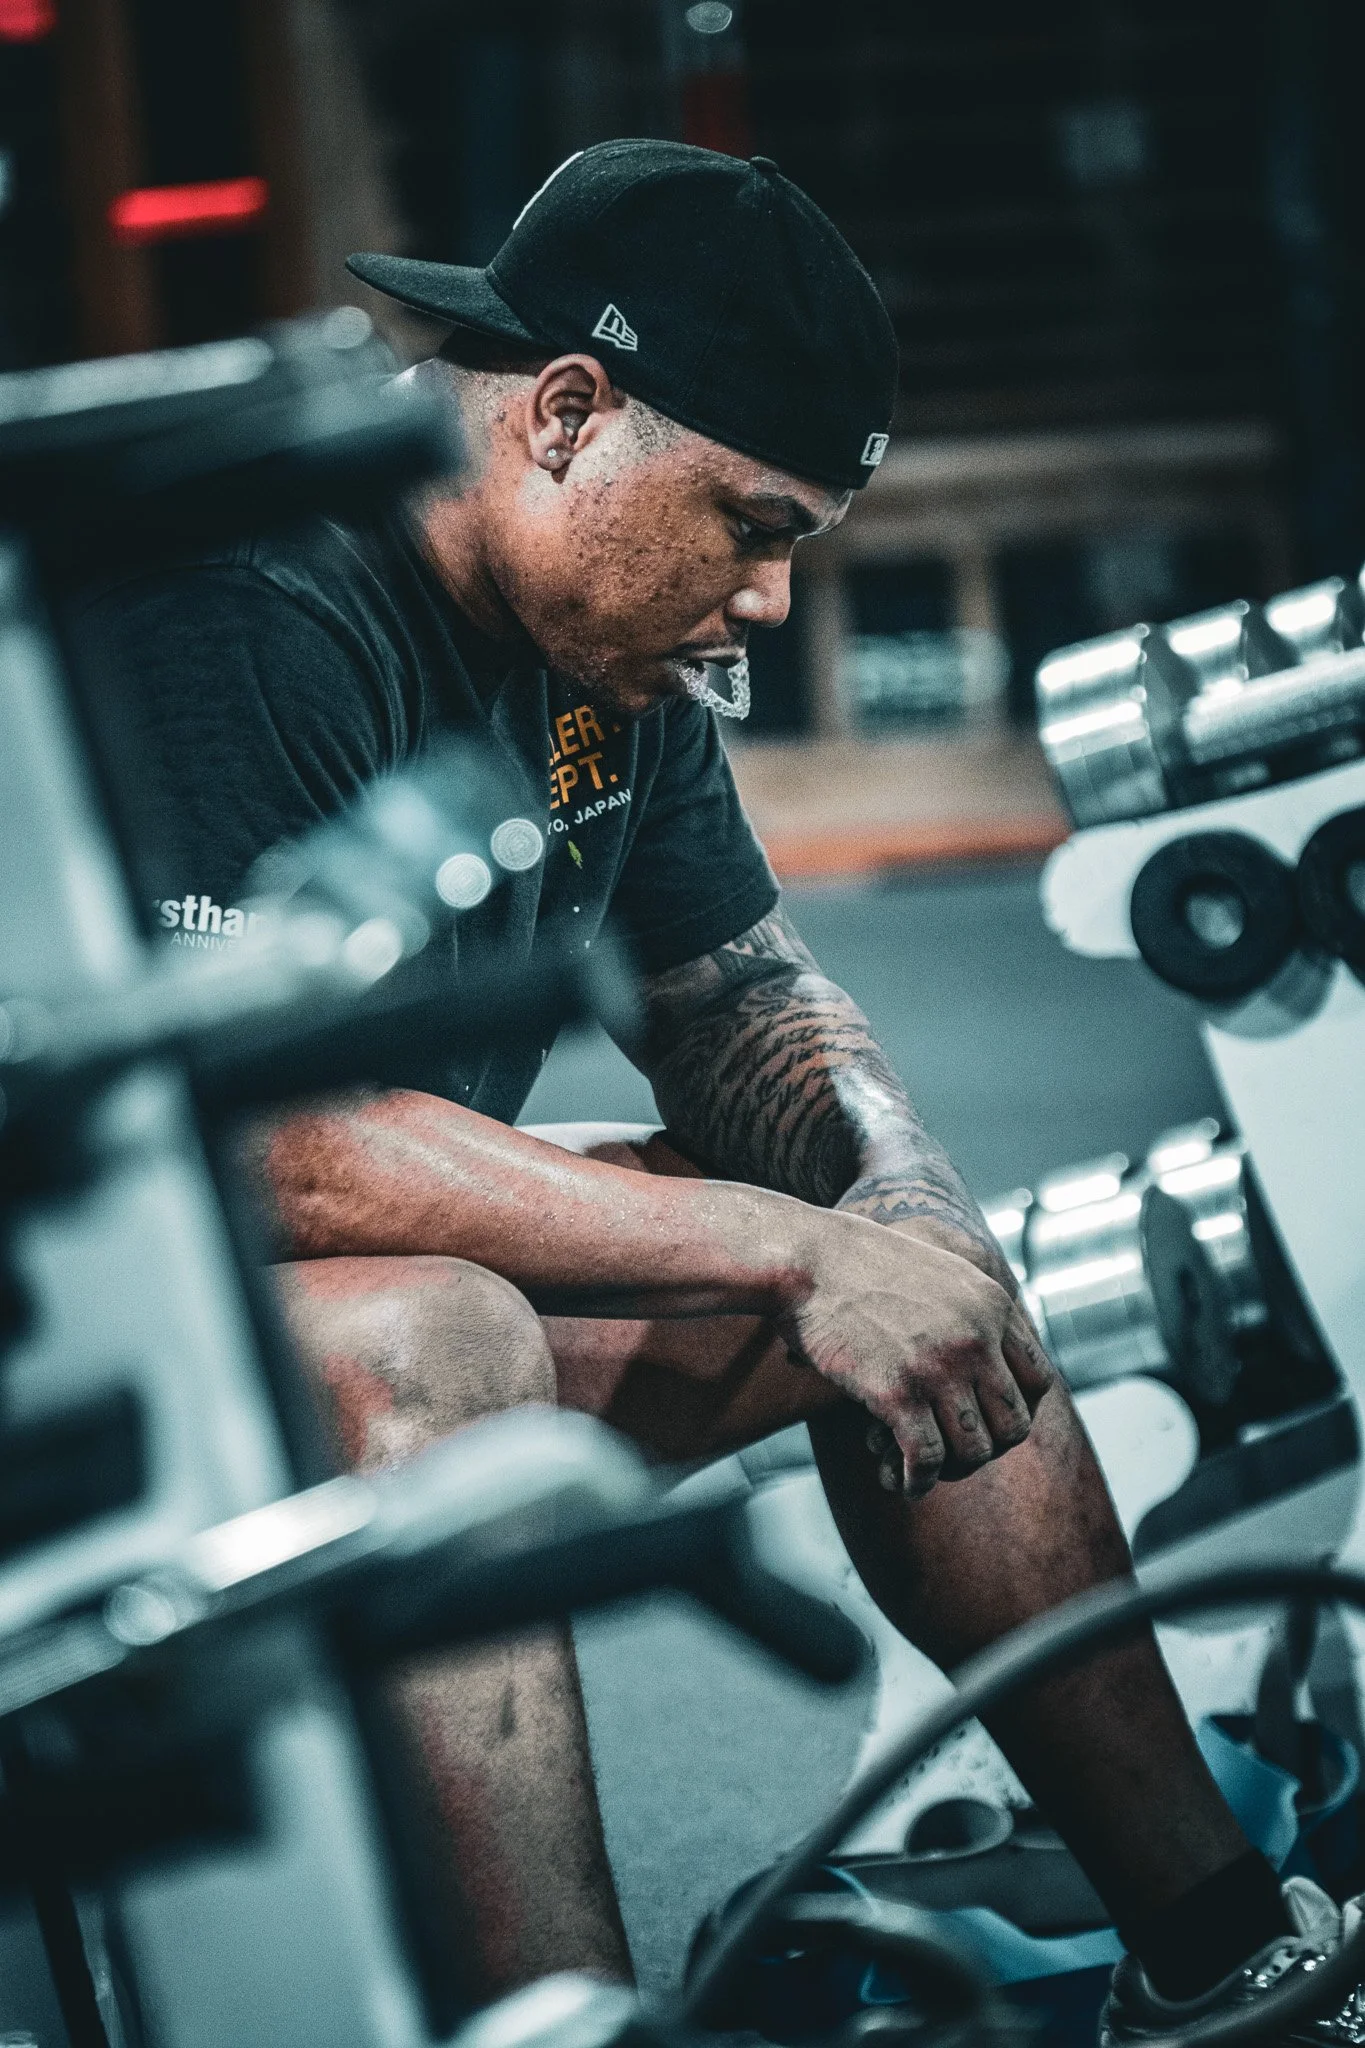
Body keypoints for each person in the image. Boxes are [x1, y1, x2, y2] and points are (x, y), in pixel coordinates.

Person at [73, 139, 1353, 2043]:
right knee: (448, 1345)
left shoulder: (607, 650)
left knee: (909, 1293)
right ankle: (562, 2027)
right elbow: (235, 1141)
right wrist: (771, 1244)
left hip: (279, 1333)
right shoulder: (265, 596)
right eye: (748, 526)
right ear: (570, 415)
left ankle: (1231, 1964)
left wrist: (888, 1198)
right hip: (91, 1384)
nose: (765, 600)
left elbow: (744, 996)